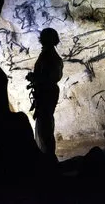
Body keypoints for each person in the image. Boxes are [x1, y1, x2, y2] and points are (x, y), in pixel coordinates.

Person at [26, 28, 63, 162]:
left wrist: (34, 78)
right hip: (48, 92)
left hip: (46, 93)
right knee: (45, 125)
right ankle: (48, 157)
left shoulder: (48, 55)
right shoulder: (51, 55)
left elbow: (48, 77)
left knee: (44, 127)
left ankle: (48, 159)